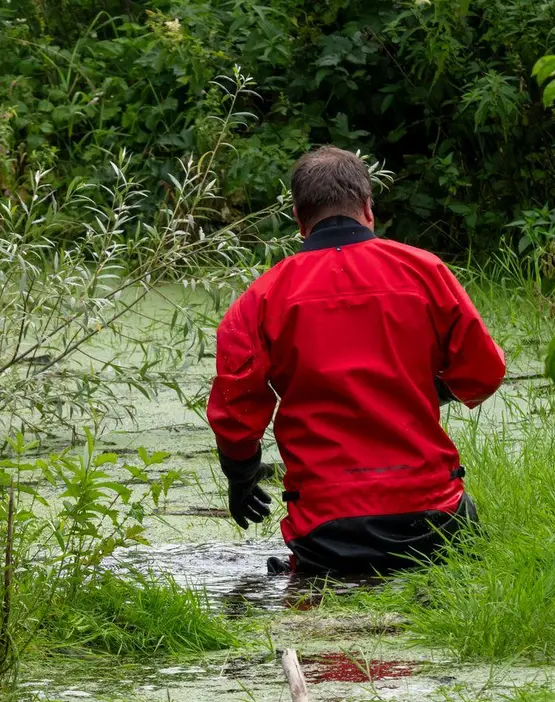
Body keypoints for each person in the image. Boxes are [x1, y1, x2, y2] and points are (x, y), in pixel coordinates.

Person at [208, 146, 507, 576]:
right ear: (368, 208)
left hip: (328, 533)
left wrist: (242, 481)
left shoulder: (260, 299)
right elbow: (484, 372)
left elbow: (236, 411)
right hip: (433, 522)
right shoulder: (427, 272)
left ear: (298, 219)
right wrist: (418, 388)